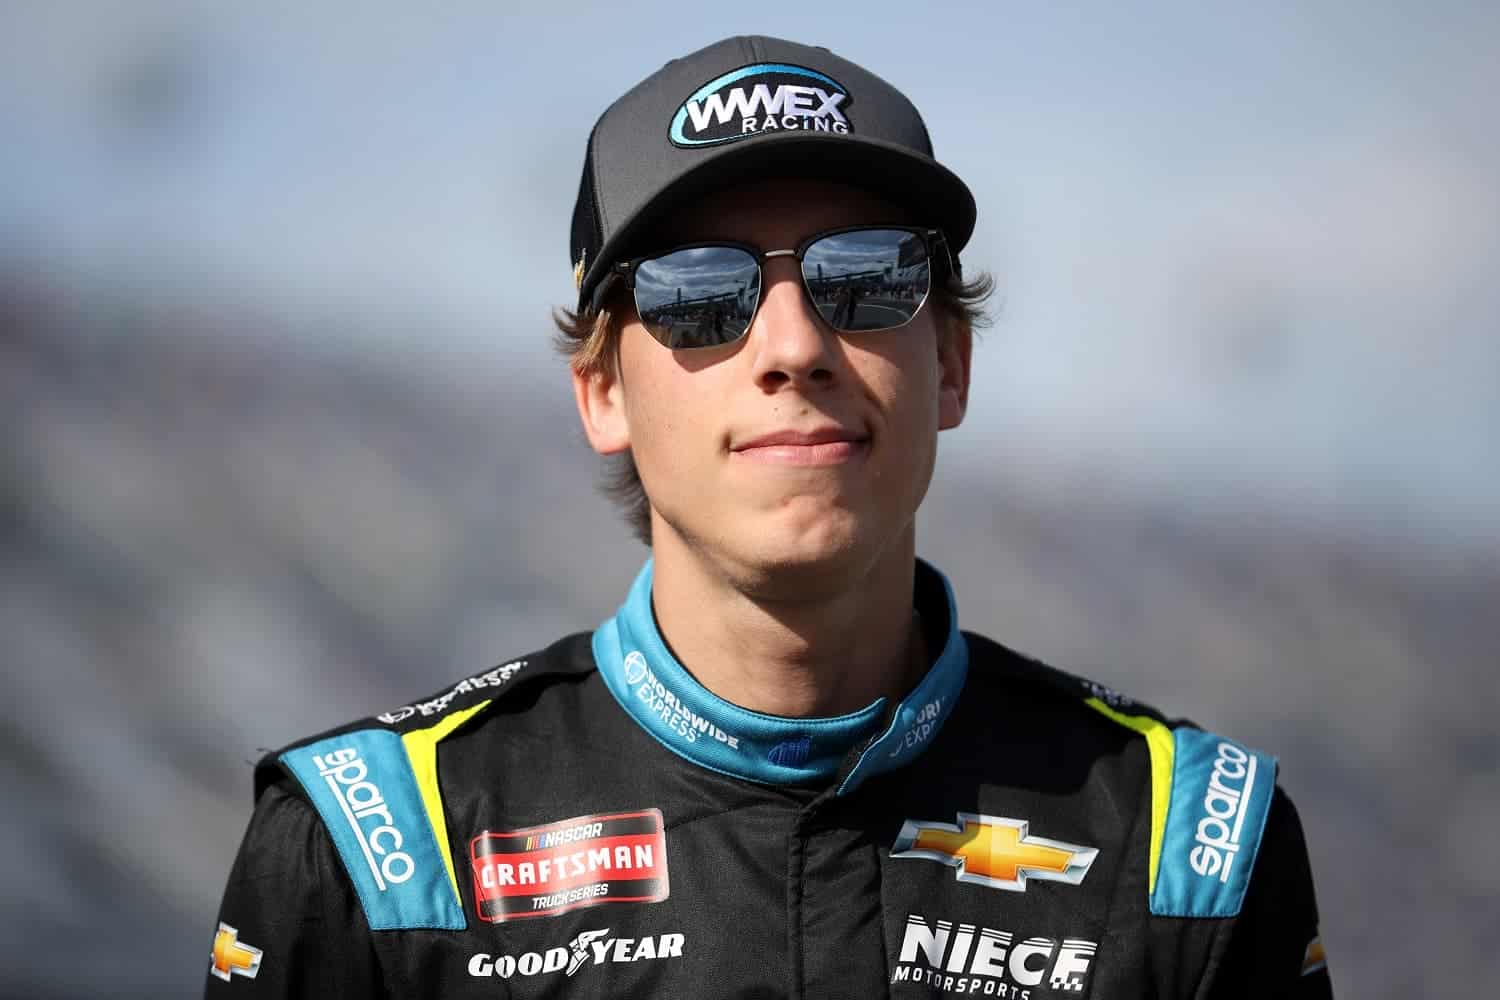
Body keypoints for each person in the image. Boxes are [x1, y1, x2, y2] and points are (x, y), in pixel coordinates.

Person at [205, 35, 1332, 999]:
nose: (793, 347)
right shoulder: (369, 849)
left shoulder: (1192, 848)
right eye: (699, 291)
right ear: (603, 392)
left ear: (950, 359)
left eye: (868, 275)